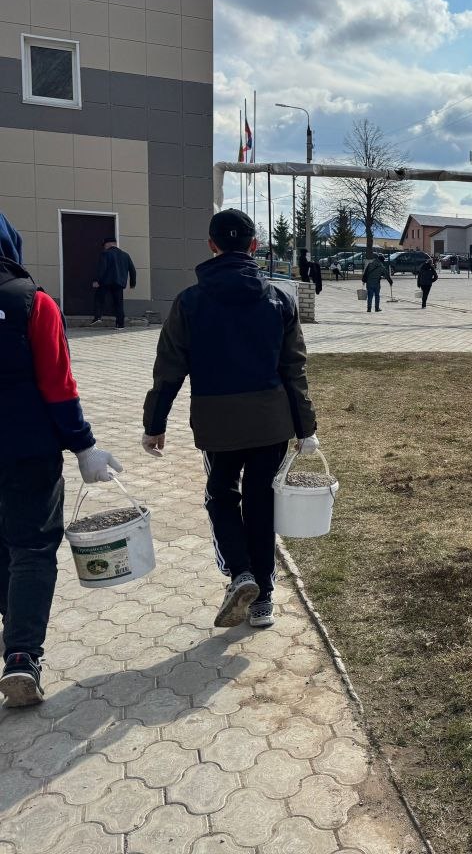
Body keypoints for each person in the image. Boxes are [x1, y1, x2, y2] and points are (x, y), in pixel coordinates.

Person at [142, 209, 318, 630]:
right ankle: (263, 601)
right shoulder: (280, 299)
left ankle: (240, 574)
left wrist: (154, 424)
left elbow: (169, 369)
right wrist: (306, 428)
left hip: (217, 423)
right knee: (261, 503)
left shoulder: (189, 301)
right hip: (270, 421)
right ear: (254, 246)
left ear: (211, 246)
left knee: (220, 496)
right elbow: (294, 368)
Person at [0, 213, 121, 706]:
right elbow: (58, 383)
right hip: (27, 448)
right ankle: (21, 655)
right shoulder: (34, 302)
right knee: (30, 548)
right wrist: (84, 446)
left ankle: (14, 629)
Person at [90, 237, 137, 329]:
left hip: (105, 282)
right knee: (118, 303)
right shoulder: (125, 255)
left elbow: (102, 268)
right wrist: (132, 283)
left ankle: (98, 317)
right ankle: (120, 324)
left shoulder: (105, 253)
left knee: (99, 299)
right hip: (119, 283)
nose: (104, 247)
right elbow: (132, 270)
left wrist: (97, 280)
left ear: (108, 244)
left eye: (104, 245)